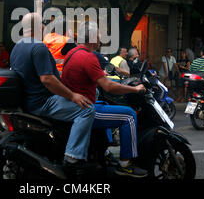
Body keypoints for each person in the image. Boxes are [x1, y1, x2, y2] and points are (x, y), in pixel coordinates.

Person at [9, 13, 95, 173]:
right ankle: (72, 157)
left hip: (27, 101)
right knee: (87, 109)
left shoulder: (18, 46)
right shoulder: (38, 46)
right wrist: (73, 96)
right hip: (43, 102)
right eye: (42, 24)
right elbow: (47, 80)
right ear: (39, 27)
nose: (44, 27)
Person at [62, 21, 148, 178]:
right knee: (128, 115)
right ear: (93, 38)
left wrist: (101, 75)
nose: (101, 39)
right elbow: (109, 87)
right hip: (85, 109)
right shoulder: (88, 57)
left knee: (105, 103)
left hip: (74, 105)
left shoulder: (73, 53)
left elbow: (94, 76)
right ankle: (126, 165)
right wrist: (135, 89)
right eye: (99, 35)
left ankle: (105, 150)